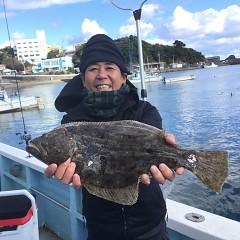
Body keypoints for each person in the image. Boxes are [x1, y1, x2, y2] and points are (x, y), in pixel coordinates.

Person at [45, 34, 184, 240]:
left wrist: (173, 156)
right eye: (93, 69)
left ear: (124, 76)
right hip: (100, 229)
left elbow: (155, 151)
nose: (101, 74)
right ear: (83, 79)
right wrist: (63, 171)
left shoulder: (145, 112)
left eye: (109, 67)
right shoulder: (72, 123)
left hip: (151, 227)